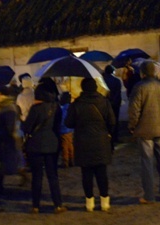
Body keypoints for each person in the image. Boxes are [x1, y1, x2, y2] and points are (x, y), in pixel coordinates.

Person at [65, 78, 116, 212]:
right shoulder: (104, 102)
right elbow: (112, 121)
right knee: (101, 172)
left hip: (83, 142)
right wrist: (108, 132)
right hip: (100, 141)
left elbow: (68, 123)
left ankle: (90, 202)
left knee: (86, 173)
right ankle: (105, 201)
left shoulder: (77, 103)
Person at [128, 60, 160, 204]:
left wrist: (132, 126)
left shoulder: (139, 87)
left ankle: (149, 195)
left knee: (147, 162)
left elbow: (134, 110)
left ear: (142, 73)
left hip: (144, 130)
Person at [21, 81, 66, 214]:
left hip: (35, 145)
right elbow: (58, 126)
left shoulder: (36, 108)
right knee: (53, 176)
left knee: (37, 176)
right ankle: (57, 204)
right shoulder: (56, 107)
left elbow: (27, 128)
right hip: (52, 144)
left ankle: (36, 205)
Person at [0, 85, 26, 195]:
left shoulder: (9, 109)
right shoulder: (4, 107)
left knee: (4, 163)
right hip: (2, 141)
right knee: (3, 163)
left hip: (5, 141)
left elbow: (10, 127)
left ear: (3, 95)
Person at [102, 65, 124, 145]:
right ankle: (115, 137)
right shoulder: (116, 81)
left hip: (105, 103)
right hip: (115, 103)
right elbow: (118, 93)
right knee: (115, 120)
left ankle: (107, 136)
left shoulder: (102, 80)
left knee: (106, 120)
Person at [58, 92, 74, 168]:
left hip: (64, 129)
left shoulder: (63, 108)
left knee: (64, 146)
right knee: (70, 145)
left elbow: (62, 120)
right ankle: (72, 160)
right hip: (70, 129)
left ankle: (65, 161)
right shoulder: (71, 107)